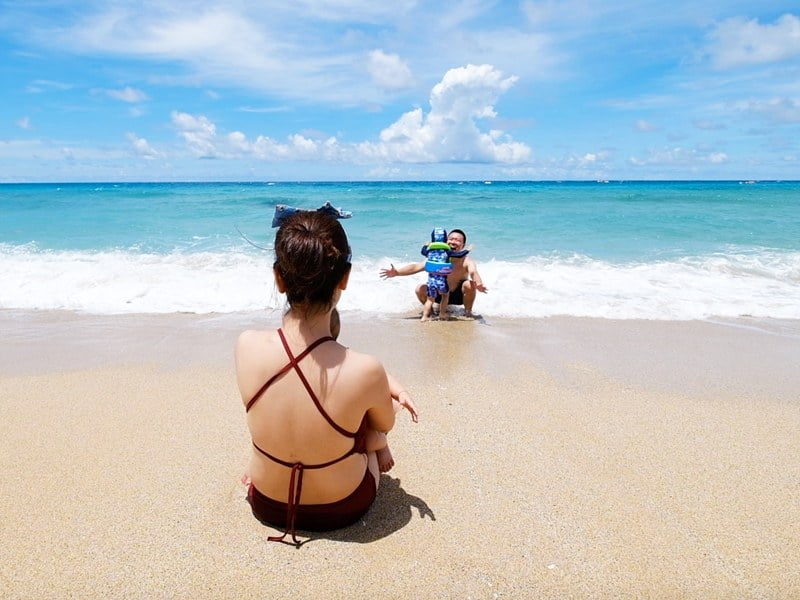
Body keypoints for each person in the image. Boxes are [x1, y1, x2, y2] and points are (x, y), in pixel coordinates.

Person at [235, 211, 416, 546]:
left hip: (266, 502)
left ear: (279, 277)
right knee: (366, 424)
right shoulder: (366, 369)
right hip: (341, 506)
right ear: (344, 279)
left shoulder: (245, 345)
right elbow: (383, 426)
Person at [380, 228, 488, 319]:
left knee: (469, 285)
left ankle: (468, 313)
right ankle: (431, 312)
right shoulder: (438, 258)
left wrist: (478, 283)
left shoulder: (466, 261)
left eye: (457, 240)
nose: (453, 242)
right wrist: (397, 272)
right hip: (439, 295)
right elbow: (416, 267)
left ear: (463, 245)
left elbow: (474, 272)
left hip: (458, 296)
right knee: (420, 288)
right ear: (445, 242)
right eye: (451, 239)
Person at [419, 227, 453, 322]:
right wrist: (467, 251)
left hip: (431, 280)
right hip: (442, 280)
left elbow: (423, 252)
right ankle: (442, 314)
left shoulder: (430, 251)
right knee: (445, 295)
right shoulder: (447, 251)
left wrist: (425, 245)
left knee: (430, 299)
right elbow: (458, 254)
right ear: (445, 239)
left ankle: (424, 317)